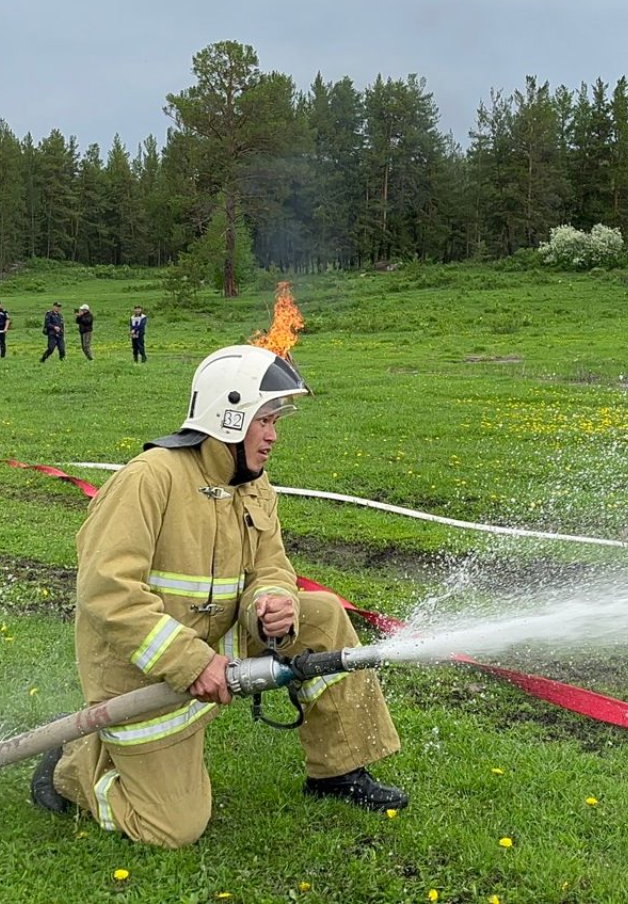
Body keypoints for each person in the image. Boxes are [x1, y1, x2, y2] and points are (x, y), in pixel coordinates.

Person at [34, 344, 405, 848]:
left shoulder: (253, 485)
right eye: (265, 420)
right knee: (173, 827)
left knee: (321, 616)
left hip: (219, 648)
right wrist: (191, 663)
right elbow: (106, 593)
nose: (274, 435)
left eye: (277, 421)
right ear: (229, 415)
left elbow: (271, 565)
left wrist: (273, 604)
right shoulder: (149, 479)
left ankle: (338, 772)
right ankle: (73, 767)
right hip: (143, 674)